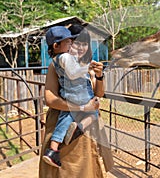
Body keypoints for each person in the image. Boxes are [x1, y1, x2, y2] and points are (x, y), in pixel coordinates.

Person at [39, 25, 113, 177]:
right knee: (63, 171)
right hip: (63, 120)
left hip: (86, 126)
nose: (80, 47)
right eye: (76, 43)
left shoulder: (89, 65)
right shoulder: (57, 65)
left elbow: (98, 94)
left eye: (84, 44)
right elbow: (50, 99)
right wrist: (82, 107)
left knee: (87, 168)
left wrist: (99, 76)